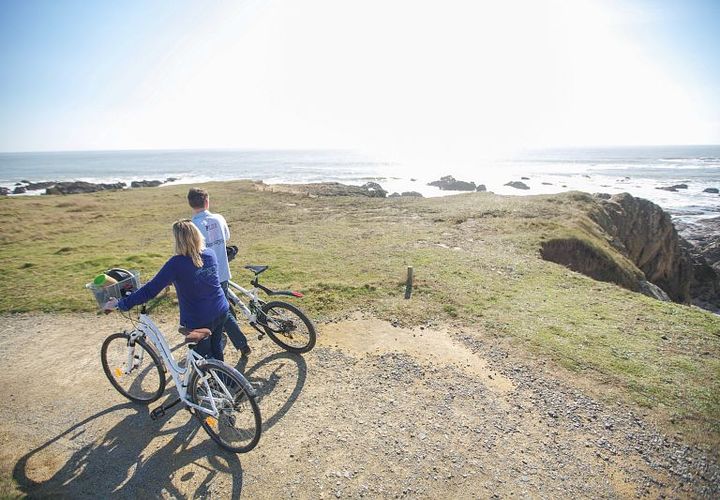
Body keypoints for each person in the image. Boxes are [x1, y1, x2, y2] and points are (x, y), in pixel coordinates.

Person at [103, 220, 233, 361]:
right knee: (216, 348)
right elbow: (198, 277)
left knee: (203, 360)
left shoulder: (175, 264)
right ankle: (225, 380)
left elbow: (150, 290)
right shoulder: (209, 254)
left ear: (178, 240)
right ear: (197, 235)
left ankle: (208, 380)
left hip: (199, 319)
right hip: (221, 309)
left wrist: (121, 304)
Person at [187, 187, 251, 355]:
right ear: (207, 201)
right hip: (223, 271)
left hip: (205, 277)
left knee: (221, 311)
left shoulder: (192, 226)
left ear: (190, 204)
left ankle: (241, 343)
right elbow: (226, 237)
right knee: (223, 308)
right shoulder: (219, 218)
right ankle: (239, 343)